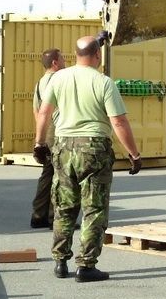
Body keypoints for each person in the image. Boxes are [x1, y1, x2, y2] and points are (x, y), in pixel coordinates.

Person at [34, 35, 142, 282]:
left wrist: (40, 143)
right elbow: (118, 121)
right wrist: (134, 154)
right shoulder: (104, 82)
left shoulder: (58, 78)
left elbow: (44, 112)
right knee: (93, 208)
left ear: (74, 55)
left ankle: (60, 261)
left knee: (64, 205)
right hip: (93, 148)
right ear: (98, 55)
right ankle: (86, 266)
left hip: (62, 147)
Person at [30, 48, 66, 229]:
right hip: (59, 132)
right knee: (60, 176)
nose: (66, 61)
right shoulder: (60, 80)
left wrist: (40, 139)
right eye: (63, 58)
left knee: (47, 174)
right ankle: (55, 217)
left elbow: (38, 112)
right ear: (55, 62)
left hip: (46, 131)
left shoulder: (39, 83)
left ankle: (38, 215)